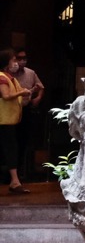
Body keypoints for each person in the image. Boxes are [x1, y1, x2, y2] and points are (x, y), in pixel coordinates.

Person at [0, 48, 33, 194]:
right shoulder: (2, 77)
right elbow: (6, 96)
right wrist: (22, 92)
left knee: (11, 149)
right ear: (6, 62)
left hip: (8, 120)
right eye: (13, 60)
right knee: (10, 149)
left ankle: (15, 181)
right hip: (3, 120)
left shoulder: (9, 77)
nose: (16, 63)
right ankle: (14, 181)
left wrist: (27, 92)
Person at [13, 50, 43, 180]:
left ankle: (20, 171)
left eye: (24, 58)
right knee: (11, 141)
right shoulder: (8, 74)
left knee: (23, 140)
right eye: (19, 58)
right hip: (11, 110)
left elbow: (40, 87)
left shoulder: (30, 73)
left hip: (25, 109)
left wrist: (38, 98)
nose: (22, 61)